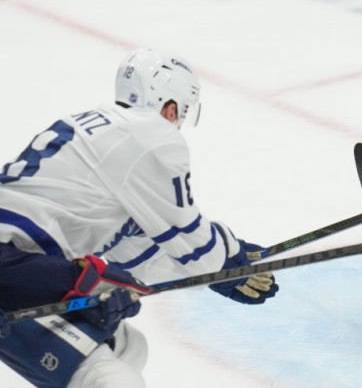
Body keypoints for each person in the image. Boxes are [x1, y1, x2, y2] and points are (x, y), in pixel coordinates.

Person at [0, 48, 278, 388]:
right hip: (10, 264)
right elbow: (189, 239)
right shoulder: (151, 136)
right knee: (104, 374)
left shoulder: (103, 137)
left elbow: (139, 254)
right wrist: (228, 260)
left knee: (128, 347)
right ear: (171, 107)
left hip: (19, 262)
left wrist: (222, 268)